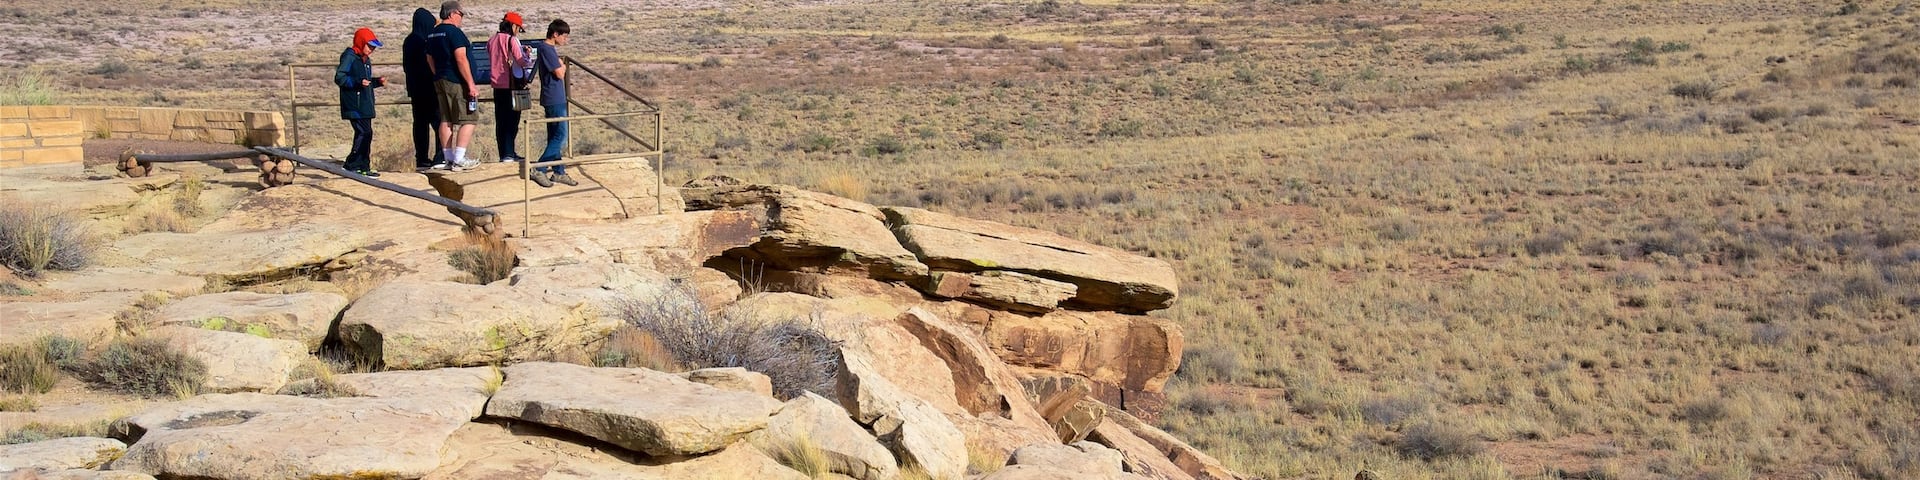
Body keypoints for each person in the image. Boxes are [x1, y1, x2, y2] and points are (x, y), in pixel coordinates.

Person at [425, 1, 480, 171]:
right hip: (456, 80)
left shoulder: (433, 33)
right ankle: (459, 158)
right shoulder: (454, 33)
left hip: (440, 79)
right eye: (461, 14)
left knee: (446, 119)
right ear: (452, 13)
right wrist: (470, 83)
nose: (461, 18)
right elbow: (461, 58)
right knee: (469, 118)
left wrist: (438, 73)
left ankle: (448, 158)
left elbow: (429, 58)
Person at [530, 19, 576, 188]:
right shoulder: (547, 49)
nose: (566, 40)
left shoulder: (547, 49)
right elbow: (559, 73)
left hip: (554, 97)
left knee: (554, 135)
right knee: (561, 136)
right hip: (554, 97)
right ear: (555, 34)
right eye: (565, 36)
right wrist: (562, 65)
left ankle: (559, 172)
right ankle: (539, 169)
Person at [334, 27, 385, 177]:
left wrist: (377, 82)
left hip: (365, 104)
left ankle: (364, 166)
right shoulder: (349, 57)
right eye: (369, 46)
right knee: (363, 132)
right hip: (354, 104)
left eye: (373, 47)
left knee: (366, 133)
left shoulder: (365, 60)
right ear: (361, 42)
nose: (372, 49)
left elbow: (366, 82)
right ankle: (351, 165)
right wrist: (356, 83)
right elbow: (339, 78)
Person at [402, 8, 444, 172]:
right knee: (439, 122)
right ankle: (441, 155)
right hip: (430, 89)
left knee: (420, 124)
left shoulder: (409, 40)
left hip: (415, 89)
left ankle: (422, 158)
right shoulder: (426, 41)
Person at [487, 12, 532, 164]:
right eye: (518, 28)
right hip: (511, 85)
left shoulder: (492, 40)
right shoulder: (512, 40)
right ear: (513, 26)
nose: (518, 31)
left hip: (497, 85)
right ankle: (509, 153)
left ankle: (504, 153)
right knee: (512, 120)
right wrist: (527, 54)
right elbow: (522, 61)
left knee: (501, 120)